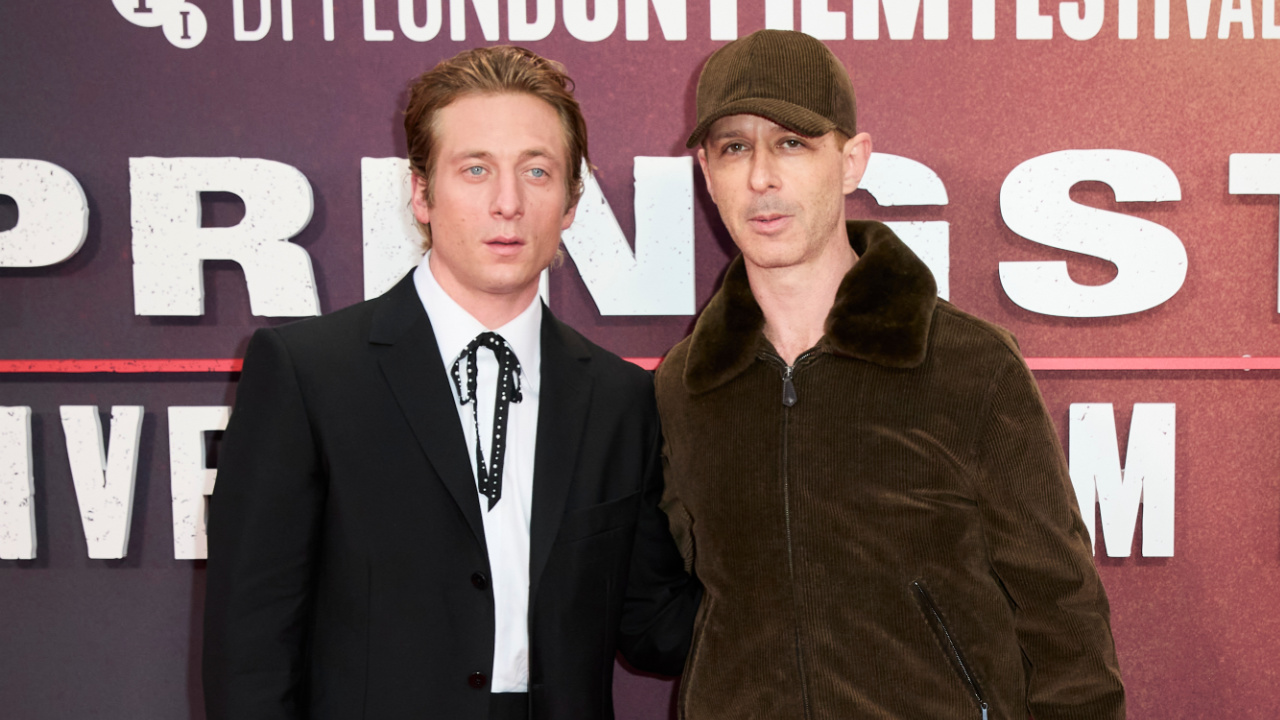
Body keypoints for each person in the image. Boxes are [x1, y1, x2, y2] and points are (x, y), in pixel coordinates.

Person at [203, 46, 699, 720]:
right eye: (475, 170)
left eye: (536, 170)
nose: (507, 203)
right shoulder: (309, 374)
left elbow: (652, 623)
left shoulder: (619, 399)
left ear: (572, 201)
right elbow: (251, 647)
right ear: (421, 193)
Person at [656, 30, 1125, 719]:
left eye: (792, 143)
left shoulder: (967, 365)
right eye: (734, 147)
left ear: (851, 161)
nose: (761, 177)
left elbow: (1064, 621)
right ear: (706, 170)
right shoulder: (686, 386)